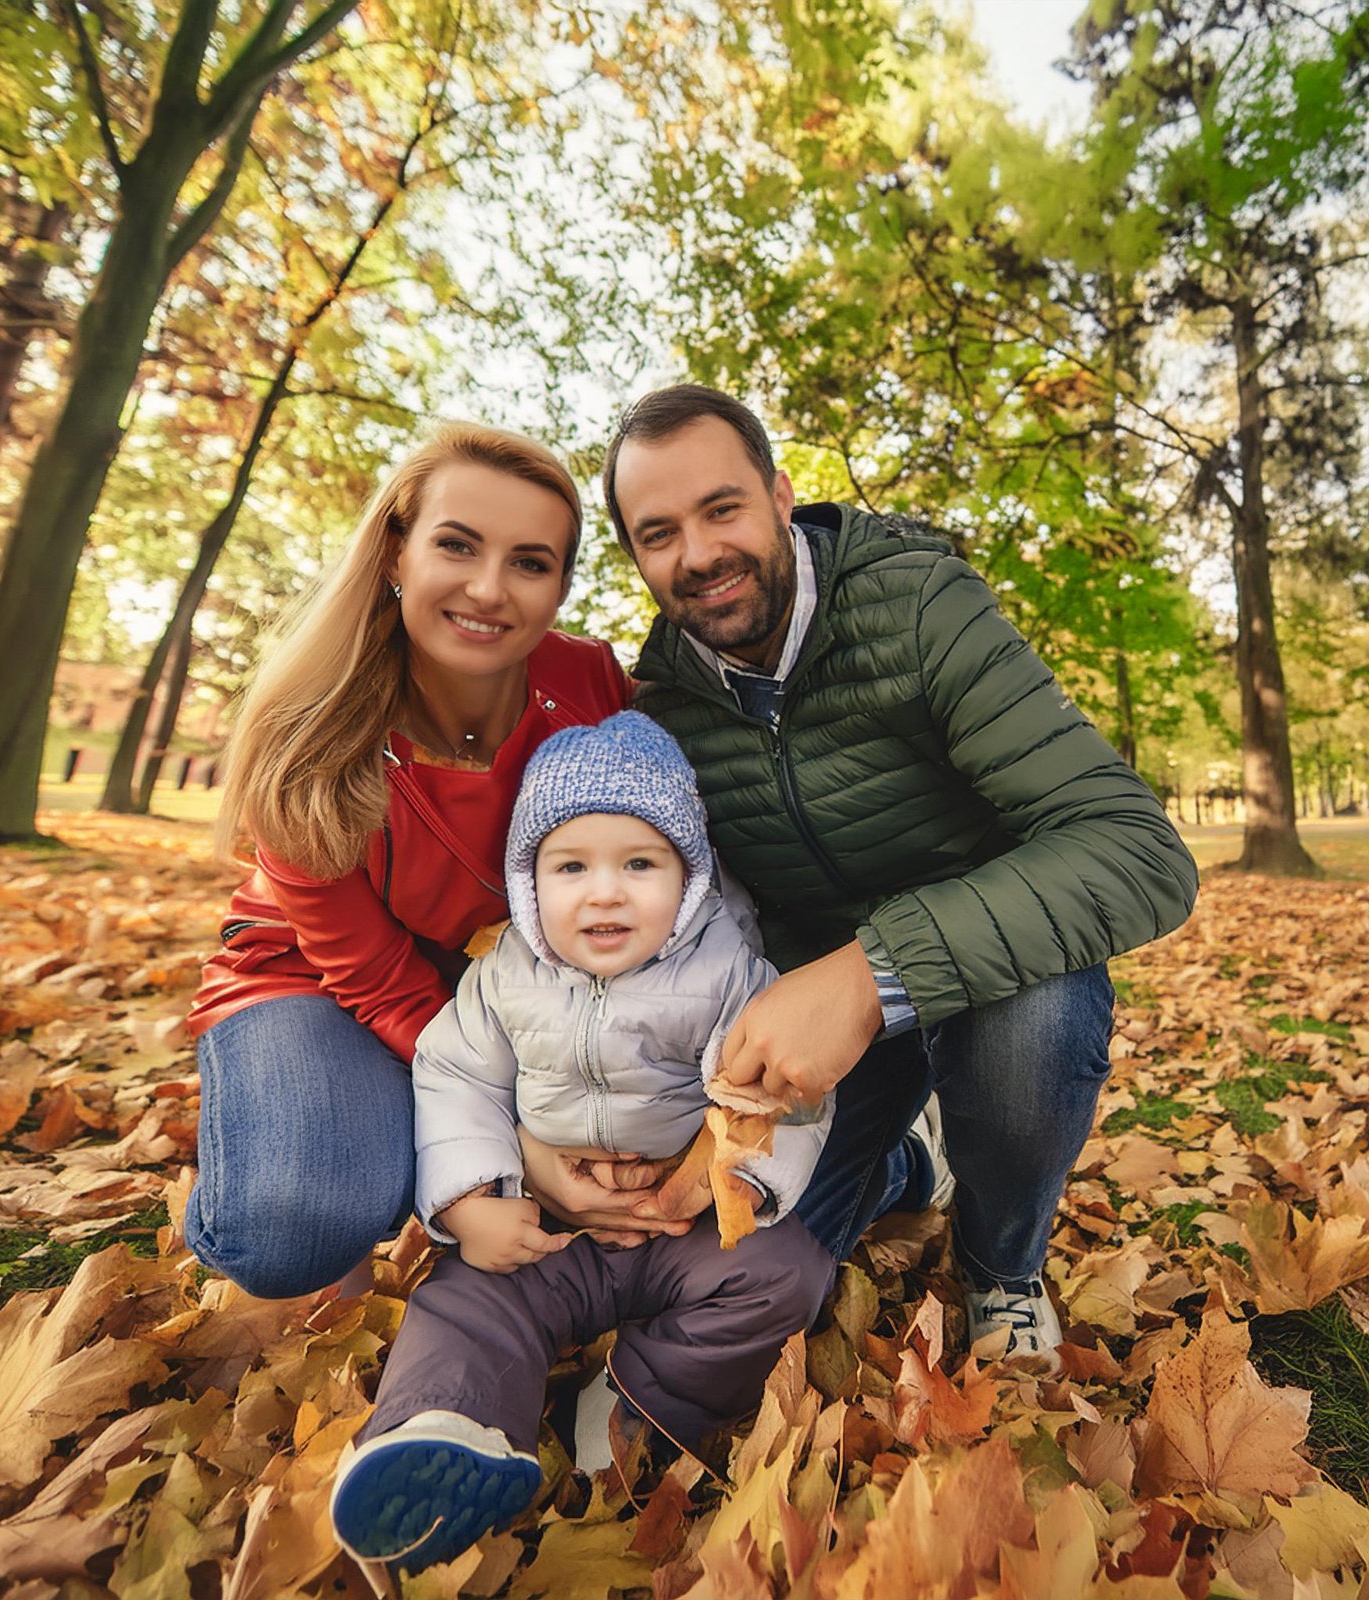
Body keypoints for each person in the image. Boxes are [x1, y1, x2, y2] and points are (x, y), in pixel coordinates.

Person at [600, 385, 1200, 1369]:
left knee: (1039, 1015)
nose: (699, 553)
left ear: (781, 495)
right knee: (752, 1272)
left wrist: (871, 975)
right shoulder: (664, 708)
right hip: (816, 1039)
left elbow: (1134, 846)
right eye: (658, 532)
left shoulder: (920, 605)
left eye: (721, 508)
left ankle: (1000, 1265)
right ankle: (906, 1164)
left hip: (985, 983)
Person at [329, 712, 836, 1573]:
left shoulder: (730, 976)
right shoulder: (502, 981)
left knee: (788, 1279)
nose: (604, 893)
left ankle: (642, 1398)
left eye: (640, 864)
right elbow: (457, 1080)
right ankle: (444, 1426)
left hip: (683, 1226)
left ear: (690, 877)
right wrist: (470, 1202)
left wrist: (734, 1180)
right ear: (529, 885)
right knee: (465, 1301)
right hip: (549, 1230)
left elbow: (782, 1089)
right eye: (571, 868)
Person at [184, 424, 648, 1299]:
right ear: (397, 550)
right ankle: (301, 1155)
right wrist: (516, 1125)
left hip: (513, 989)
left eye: (530, 562)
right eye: (457, 546)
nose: (488, 589)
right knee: (293, 1222)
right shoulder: (310, 728)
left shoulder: (590, 685)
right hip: (322, 983)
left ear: (559, 588)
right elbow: (378, 979)